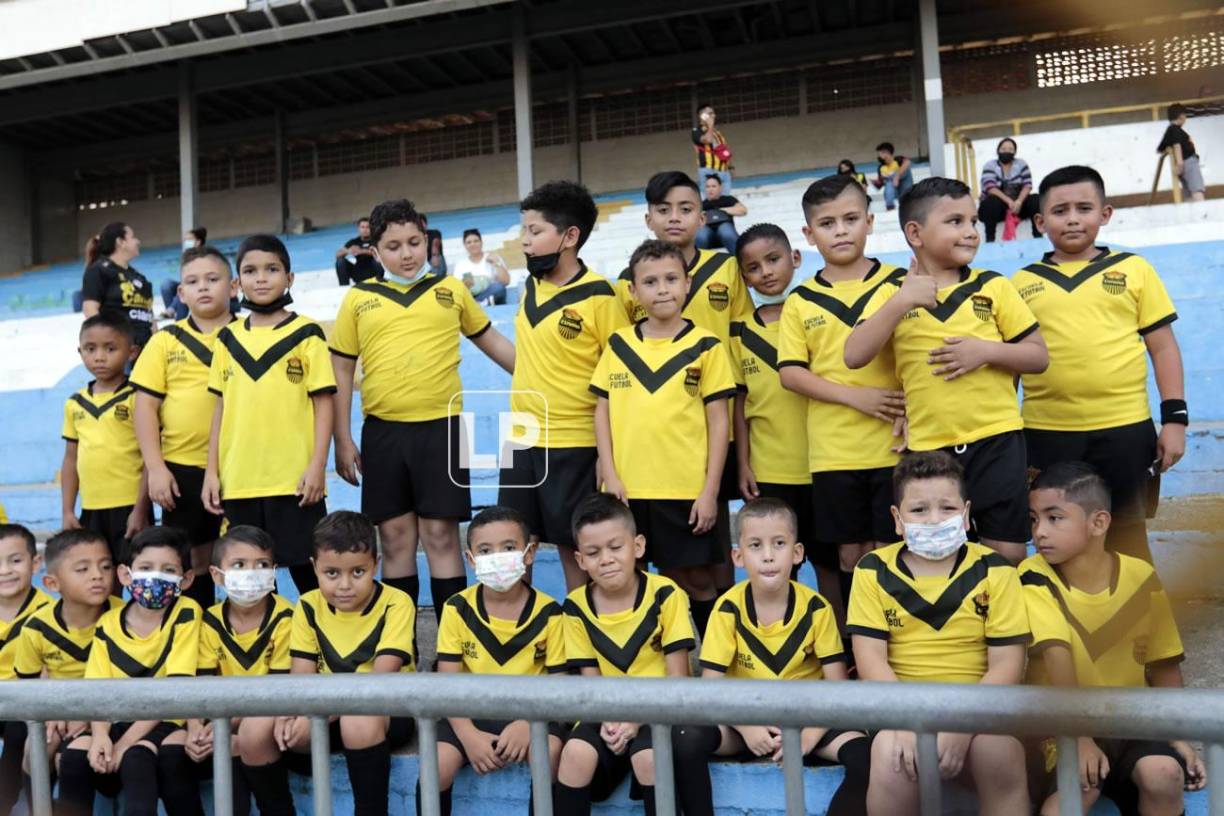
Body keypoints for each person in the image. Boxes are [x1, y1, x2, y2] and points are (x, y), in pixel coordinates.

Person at [845, 177, 1050, 564]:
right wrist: (900, 302)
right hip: (929, 448)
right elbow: (854, 355)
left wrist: (985, 352)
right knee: (937, 551)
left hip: (997, 439)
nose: (971, 232)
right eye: (955, 221)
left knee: (1005, 552)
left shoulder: (994, 287)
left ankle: (1009, 623)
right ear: (915, 233)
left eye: (973, 221)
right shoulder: (893, 295)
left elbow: (1037, 357)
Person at [331, 199, 514, 614]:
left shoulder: (449, 291)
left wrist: (544, 379)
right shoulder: (359, 299)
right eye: (393, 246)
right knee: (395, 539)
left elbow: (495, 344)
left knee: (441, 536)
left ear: (428, 243)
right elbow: (341, 372)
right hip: (384, 433)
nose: (406, 253)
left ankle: (453, 644)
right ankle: (402, 646)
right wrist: (342, 438)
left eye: (414, 242)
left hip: (442, 430)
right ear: (375, 252)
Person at [1013, 165, 1186, 564]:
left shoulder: (1135, 270)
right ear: (1040, 221)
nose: (1072, 218)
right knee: (1056, 532)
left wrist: (1175, 420)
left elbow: (1163, 348)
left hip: (1125, 429)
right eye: (1060, 211)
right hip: (1046, 431)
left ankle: (1139, 620)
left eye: (1084, 208)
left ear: (1104, 214)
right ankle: (1065, 619)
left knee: (1125, 532)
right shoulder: (1020, 283)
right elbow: (1013, 366)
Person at [848, 452, 1031, 816]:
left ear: (965, 515)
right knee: (891, 752)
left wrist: (962, 727)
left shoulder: (996, 570)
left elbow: (1008, 665)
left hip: (980, 710)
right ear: (897, 520)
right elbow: (871, 662)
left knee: (999, 750)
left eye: (946, 508)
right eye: (918, 511)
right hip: (900, 709)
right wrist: (907, 722)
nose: (933, 520)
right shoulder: (871, 570)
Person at [1022, 462, 1206, 815]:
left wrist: (1178, 734)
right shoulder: (1034, 575)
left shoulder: (1140, 576)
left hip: (1131, 720)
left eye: (1054, 518)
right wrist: (1079, 737)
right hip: (1062, 724)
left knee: (1164, 774)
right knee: (1081, 789)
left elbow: (1164, 663)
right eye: (1033, 519)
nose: (1039, 532)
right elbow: (1058, 657)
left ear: (1099, 522)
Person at [671, 498, 871, 816]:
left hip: (810, 720)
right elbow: (709, 689)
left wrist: (807, 738)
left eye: (779, 544)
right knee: (685, 738)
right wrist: (748, 727)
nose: (767, 555)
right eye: (755, 545)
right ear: (738, 556)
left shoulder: (817, 608)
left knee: (868, 756)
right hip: (743, 723)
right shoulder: (728, 608)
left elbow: (837, 688)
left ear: (797, 553)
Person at [616, 171, 752, 595]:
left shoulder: (725, 268)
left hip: (717, 420)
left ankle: (726, 629)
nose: (674, 218)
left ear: (701, 216)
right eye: (663, 210)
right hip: (663, 439)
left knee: (713, 541)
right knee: (674, 554)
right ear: (648, 219)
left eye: (686, 209)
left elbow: (741, 340)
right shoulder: (629, 282)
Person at [778, 175, 906, 625]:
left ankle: (902, 645)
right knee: (850, 553)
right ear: (809, 235)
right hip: (834, 453)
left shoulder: (901, 284)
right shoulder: (801, 301)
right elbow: (792, 374)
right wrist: (857, 398)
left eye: (851, 219)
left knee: (895, 549)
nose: (841, 230)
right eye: (827, 223)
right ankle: (858, 646)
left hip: (895, 449)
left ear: (870, 222)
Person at [593, 240, 737, 635]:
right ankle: (642, 662)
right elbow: (602, 412)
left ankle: (713, 661)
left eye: (671, 279)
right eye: (650, 281)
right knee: (627, 578)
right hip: (627, 489)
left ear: (687, 284)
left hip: (684, 491)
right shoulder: (619, 345)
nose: (662, 289)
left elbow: (719, 424)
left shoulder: (707, 345)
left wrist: (709, 492)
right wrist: (610, 474)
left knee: (693, 579)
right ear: (633, 291)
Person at [498, 180, 630, 592]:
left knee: (577, 554)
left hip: (573, 443)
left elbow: (621, 386)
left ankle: (584, 647)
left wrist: (607, 459)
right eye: (524, 232)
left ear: (570, 236)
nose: (525, 242)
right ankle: (521, 649)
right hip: (519, 439)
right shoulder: (528, 288)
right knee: (511, 556)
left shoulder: (602, 299)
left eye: (535, 232)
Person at [203, 235, 336, 595]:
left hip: (293, 481)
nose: (261, 278)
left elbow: (324, 403)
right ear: (237, 283)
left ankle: (320, 648)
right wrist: (211, 472)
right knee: (252, 582)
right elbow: (220, 408)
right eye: (250, 271)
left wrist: (317, 466)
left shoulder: (307, 333)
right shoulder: (226, 340)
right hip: (239, 481)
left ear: (289, 279)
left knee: (309, 577)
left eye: (272, 269)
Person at [554, 493, 696, 816]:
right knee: (575, 753)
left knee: (648, 758)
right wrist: (609, 719)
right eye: (593, 552)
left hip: (660, 709)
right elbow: (591, 682)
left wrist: (636, 719)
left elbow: (678, 679)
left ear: (638, 546)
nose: (606, 559)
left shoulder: (665, 594)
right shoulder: (575, 606)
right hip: (606, 712)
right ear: (580, 561)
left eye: (615, 547)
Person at [428, 507, 566, 815]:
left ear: (529, 553)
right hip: (468, 712)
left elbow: (559, 685)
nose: (498, 557)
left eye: (508, 548)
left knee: (551, 753)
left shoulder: (551, 613)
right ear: (471, 559)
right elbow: (446, 683)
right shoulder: (456, 608)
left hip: (534, 712)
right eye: (486, 550)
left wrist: (530, 723)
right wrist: (467, 735)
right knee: (436, 765)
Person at [58, 527, 204, 816]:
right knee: (73, 756)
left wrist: (124, 744)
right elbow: (97, 689)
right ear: (125, 575)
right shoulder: (108, 623)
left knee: (137, 758)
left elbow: (172, 691)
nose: (155, 576)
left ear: (185, 579)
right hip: (114, 720)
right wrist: (100, 735)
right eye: (146, 568)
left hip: (164, 720)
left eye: (168, 569)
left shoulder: (186, 612)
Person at [279, 511, 416, 816]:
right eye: (332, 573)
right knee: (278, 732)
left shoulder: (397, 602)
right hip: (328, 711)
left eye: (357, 572)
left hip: (387, 709)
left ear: (375, 565)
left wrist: (323, 713)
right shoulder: (307, 605)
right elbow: (302, 676)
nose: (344, 585)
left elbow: (380, 677)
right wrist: (296, 718)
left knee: (358, 717)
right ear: (314, 567)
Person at [132, 246, 237, 610]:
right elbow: (144, 407)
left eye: (213, 279)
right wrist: (157, 469)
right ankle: (197, 635)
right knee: (191, 559)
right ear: (180, 293)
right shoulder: (164, 342)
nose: (203, 287)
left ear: (234, 286)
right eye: (192, 281)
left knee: (248, 555)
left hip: (243, 466)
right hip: (182, 468)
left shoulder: (249, 335)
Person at [727, 226, 815, 587]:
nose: (765, 272)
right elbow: (740, 402)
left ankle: (837, 639)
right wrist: (744, 463)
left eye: (773, 259)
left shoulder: (813, 314)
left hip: (822, 461)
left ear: (794, 258)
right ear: (744, 278)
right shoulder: (739, 334)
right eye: (753, 267)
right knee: (776, 567)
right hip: (770, 468)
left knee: (828, 559)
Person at [182, 526, 289, 816]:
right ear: (217, 575)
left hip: (269, 719)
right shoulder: (208, 621)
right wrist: (198, 728)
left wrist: (222, 726)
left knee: (237, 741)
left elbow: (277, 688)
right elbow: (203, 684)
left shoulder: (287, 617)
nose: (252, 573)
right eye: (239, 565)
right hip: (225, 720)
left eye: (262, 565)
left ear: (274, 573)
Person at [10, 529, 120, 812]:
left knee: (70, 757)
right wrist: (54, 711)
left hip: (114, 714)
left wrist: (86, 714)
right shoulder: (36, 628)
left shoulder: (124, 618)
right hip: (59, 715)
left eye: (105, 566)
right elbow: (28, 690)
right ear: (51, 583)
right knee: (37, 748)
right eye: (82, 569)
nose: (97, 575)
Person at [61, 313, 152, 563]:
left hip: (130, 506)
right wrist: (68, 510)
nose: (99, 357)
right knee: (100, 576)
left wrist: (140, 509)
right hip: (91, 508)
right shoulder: (75, 403)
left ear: (132, 352)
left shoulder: (138, 397)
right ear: (80, 352)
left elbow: (149, 458)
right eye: (91, 349)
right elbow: (71, 460)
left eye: (110, 348)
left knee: (134, 575)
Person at [0, 524, 52, 814]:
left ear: (35, 563)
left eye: (15, 560)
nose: (5, 570)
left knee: (22, 733)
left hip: (25, 702)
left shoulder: (48, 613)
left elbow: (48, 669)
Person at [82, 222, 155, 351]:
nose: (137, 241)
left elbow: (149, 315)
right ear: (120, 242)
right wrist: (109, 342)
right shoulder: (99, 271)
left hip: (146, 349)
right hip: (120, 349)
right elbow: (90, 310)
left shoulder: (139, 277)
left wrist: (157, 344)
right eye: (132, 237)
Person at [978, 138, 1040, 243]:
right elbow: (990, 187)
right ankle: (990, 240)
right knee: (991, 203)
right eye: (1004, 149)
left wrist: (1019, 201)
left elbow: (1027, 185)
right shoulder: (990, 165)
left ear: (1015, 152)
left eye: (1011, 149)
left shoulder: (1021, 164)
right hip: (999, 207)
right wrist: (1009, 201)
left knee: (1036, 200)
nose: (1007, 151)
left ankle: (1038, 236)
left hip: (1018, 205)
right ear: (998, 150)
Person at [1157, 103, 1206, 202]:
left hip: (1183, 164)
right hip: (1188, 162)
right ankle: (1202, 212)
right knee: (1197, 190)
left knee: (1188, 193)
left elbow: (1161, 148)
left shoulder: (1169, 131)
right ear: (1181, 116)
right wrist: (1180, 164)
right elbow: (1177, 145)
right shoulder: (1176, 130)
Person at [162, 228, 210, 320]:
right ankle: (171, 312)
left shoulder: (205, 256)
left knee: (183, 291)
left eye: (189, 240)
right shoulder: (186, 256)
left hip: (200, 287)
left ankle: (173, 312)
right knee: (166, 284)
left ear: (198, 242)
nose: (186, 242)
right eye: (185, 240)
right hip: (187, 286)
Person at [455, 228, 511, 305]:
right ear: (465, 245)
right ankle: (481, 303)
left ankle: (482, 303)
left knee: (498, 287)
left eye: (476, 241)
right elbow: (458, 290)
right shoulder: (461, 265)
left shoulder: (493, 257)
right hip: (472, 299)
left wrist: (496, 263)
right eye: (469, 242)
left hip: (492, 296)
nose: (473, 244)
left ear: (481, 242)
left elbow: (506, 282)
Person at [696, 174, 746, 255]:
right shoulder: (701, 205)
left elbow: (743, 210)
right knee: (701, 234)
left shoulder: (728, 200)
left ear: (720, 187)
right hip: (707, 235)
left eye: (713, 186)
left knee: (725, 230)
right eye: (707, 187)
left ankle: (741, 260)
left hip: (726, 234)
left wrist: (722, 210)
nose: (710, 189)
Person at [692, 103, 732, 192]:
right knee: (711, 202)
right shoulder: (697, 131)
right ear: (702, 116)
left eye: (713, 113)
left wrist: (730, 167)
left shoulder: (717, 132)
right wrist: (710, 125)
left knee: (725, 201)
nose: (713, 115)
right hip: (709, 170)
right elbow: (708, 140)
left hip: (723, 171)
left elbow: (724, 150)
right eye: (709, 113)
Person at [334, 217, 382, 286]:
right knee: (340, 261)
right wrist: (348, 251)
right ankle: (344, 287)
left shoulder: (376, 240)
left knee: (377, 261)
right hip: (358, 272)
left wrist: (361, 251)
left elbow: (381, 254)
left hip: (374, 271)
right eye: (362, 227)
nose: (365, 230)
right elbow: (337, 254)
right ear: (358, 228)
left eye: (367, 227)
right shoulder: (354, 242)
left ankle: (382, 283)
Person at [871, 142, 913, 211]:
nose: (879, 156)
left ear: (886, 152)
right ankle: (890, 205)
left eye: (880, 153)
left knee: (904, 169)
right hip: (893, 191)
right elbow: (881, 184)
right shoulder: (881, 167)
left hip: (905, 188)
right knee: (889, 181)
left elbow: (907, 162)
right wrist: (876, 182)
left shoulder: (899, 159)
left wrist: (896, 176)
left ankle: (904, 200)